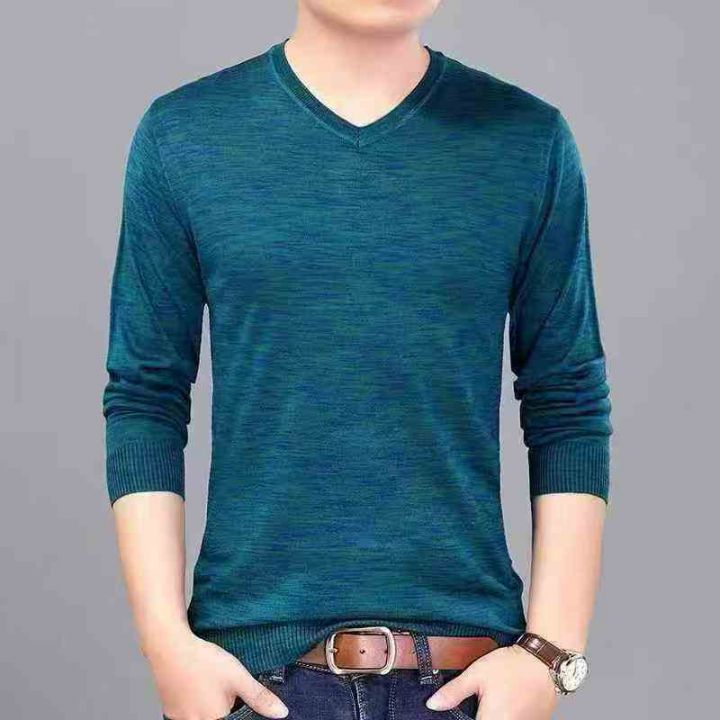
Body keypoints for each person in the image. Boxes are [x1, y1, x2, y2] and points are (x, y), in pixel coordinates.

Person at [102, 1, 613, 719]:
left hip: (464, 678)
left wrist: (550, 653)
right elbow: (146, 398)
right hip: (254, 678)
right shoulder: (184, 136)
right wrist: (164, 643)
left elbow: (567, 401)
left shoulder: (527, 141)